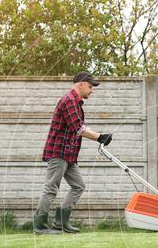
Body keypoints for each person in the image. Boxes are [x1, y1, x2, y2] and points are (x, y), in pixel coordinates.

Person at [33, 71, 113, 234]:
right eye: (90, 87)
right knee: (51, 188)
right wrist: (99, 137)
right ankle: (40, 226)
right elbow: (78, 128)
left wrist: (98, 135)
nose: (92, 90)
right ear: (80, 84)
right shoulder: (69, 101)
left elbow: (80, 127)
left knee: (78, 186)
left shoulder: (75, 103)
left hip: (68, 154)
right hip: (59, 152)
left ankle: (61, 222)